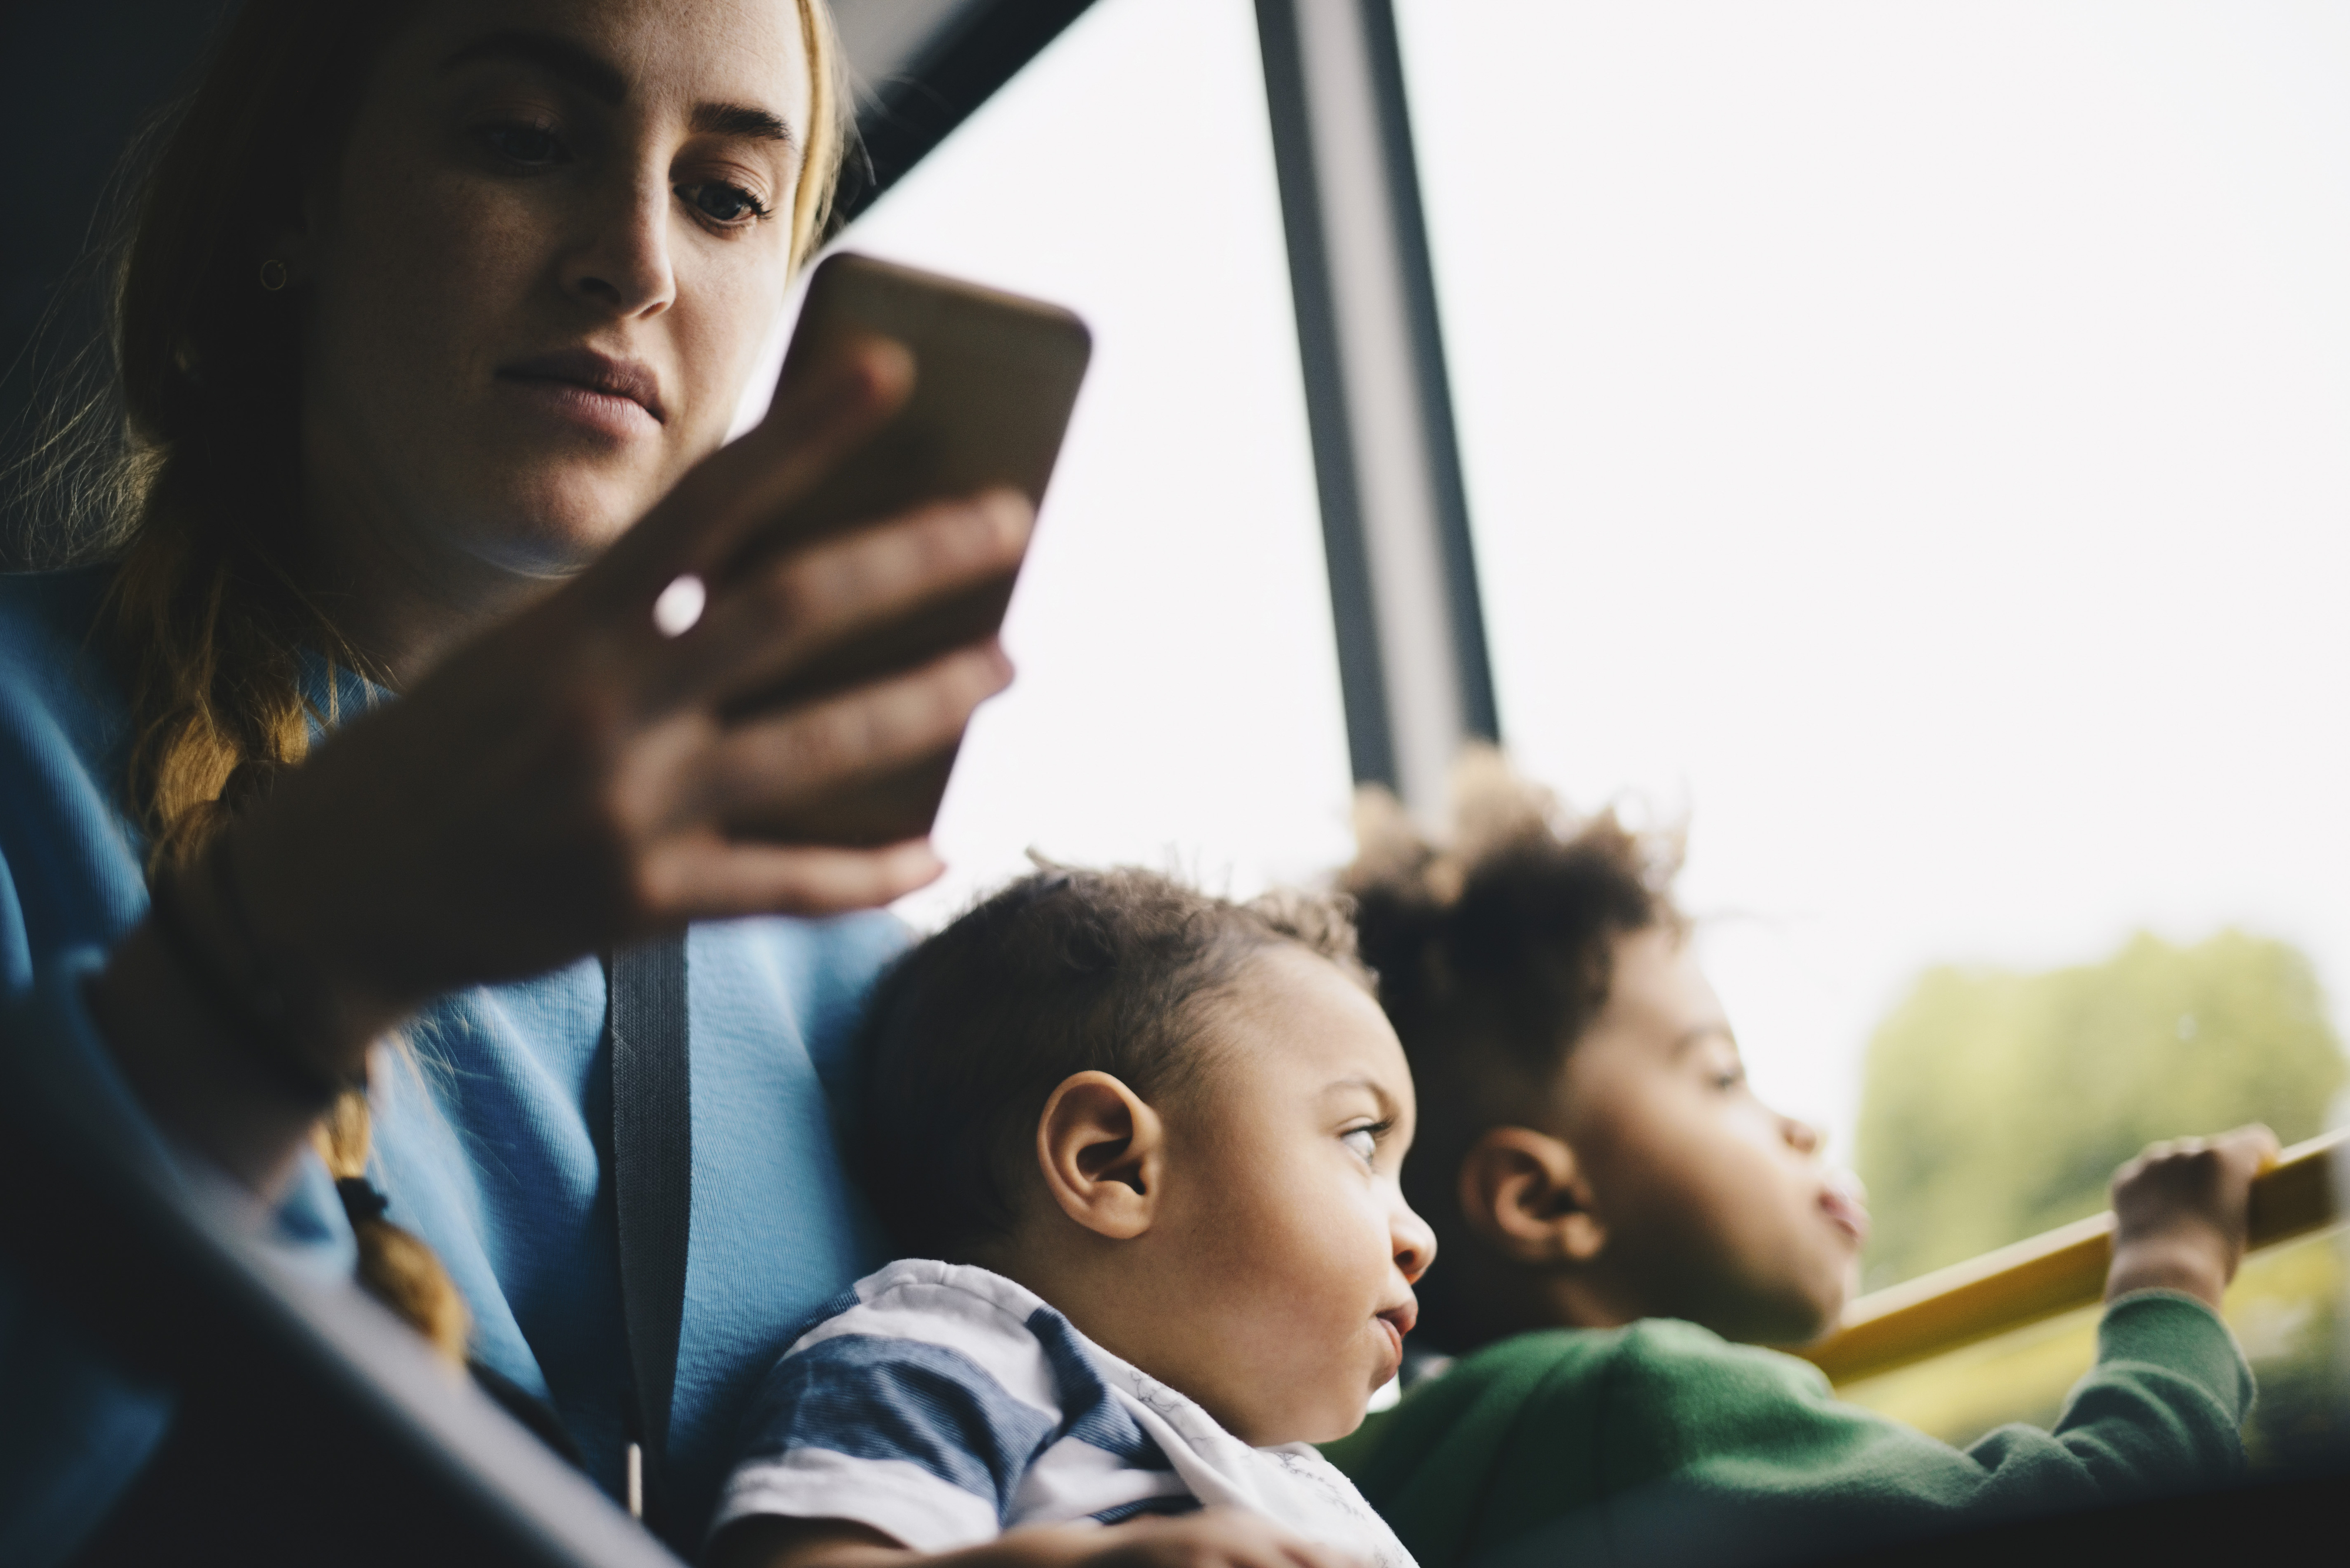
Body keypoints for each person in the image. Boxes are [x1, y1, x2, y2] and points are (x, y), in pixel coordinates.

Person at [0, 0, 1033, 1558]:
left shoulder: (862, 972)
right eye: (522, 140)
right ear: (295, 200)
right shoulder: (27, 753)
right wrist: (270, 971)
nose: (638, 261)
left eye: (726, 195)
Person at [1318, 748, 2272, 1567]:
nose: (1803, 1125)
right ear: (1541, 1198)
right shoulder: (1645, 1398)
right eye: (1724, 1075)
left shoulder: (1382, 1470)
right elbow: (2103, 1516)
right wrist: (2169, 1270)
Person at [706, 868, 1437, 1568]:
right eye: (1362, 1141)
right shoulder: (947, 1355)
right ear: (1112, 1164)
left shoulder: (1264, 1471)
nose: (1420, 1238)